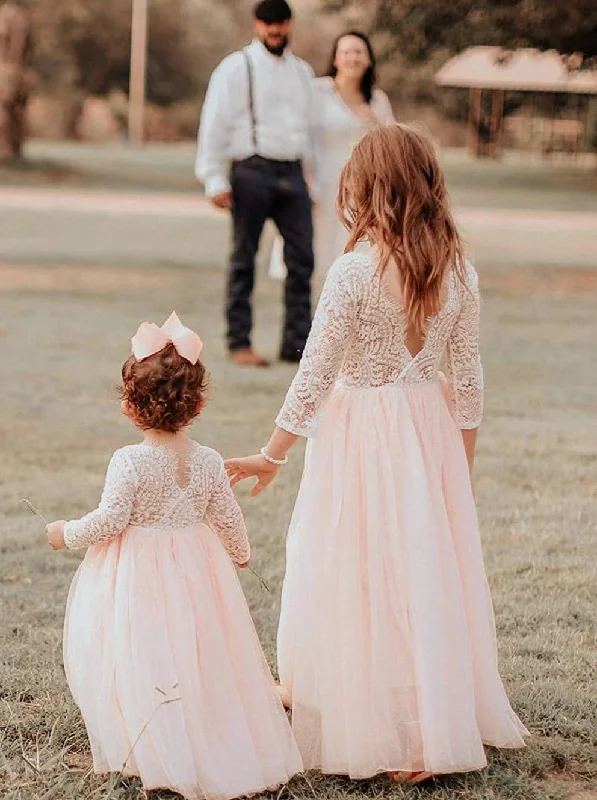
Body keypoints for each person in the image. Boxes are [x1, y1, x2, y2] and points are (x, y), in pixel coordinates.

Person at [225, 125, 528, 783]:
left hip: (360, 430)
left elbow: (314, 373)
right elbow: (469, 382)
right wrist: (459, 470)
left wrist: (269, 456)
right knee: (416, 568)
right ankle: (364, 701)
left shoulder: (355, 271)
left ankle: (402, 734)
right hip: (428, 430)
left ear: (370, 188)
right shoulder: (459, 271)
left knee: (350, 561)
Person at [45, 312, 302, 799]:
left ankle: (154, 734)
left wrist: (65, 533)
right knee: (194, 643)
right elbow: (227, 514)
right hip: (196, 568)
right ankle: (192, 720)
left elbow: (110, 520)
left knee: (144, 647)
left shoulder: (130, 461)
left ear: (130, 405)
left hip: (139, 571)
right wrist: (239, 552)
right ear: (197, 404)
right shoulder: (206, 460)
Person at [196, 0, 317, 367]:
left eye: (280, 24)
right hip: (252, 169)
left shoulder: (302, 72)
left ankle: (296, 345)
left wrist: (311, 181)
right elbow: (213, 122)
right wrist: (213, 177)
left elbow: (308, 129)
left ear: (290, 25)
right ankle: (239, 342)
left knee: (302, 259)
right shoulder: (236, 67)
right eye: (268, 24)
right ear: (256, 25)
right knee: (244, 258)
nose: (275, 31)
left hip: (293, 172)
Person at [269, 31, 395, 280]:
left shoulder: (378, 101)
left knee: (355, 258)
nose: (353, 57)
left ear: (369, 59)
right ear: (336, 59)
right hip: (321, 183)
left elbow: (393, 148)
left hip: (362, 191)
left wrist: (375, 122)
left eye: (359, 52)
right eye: (346, 51)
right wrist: (303, 180)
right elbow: (299, 134)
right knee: (315, 253)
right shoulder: (317, 92)